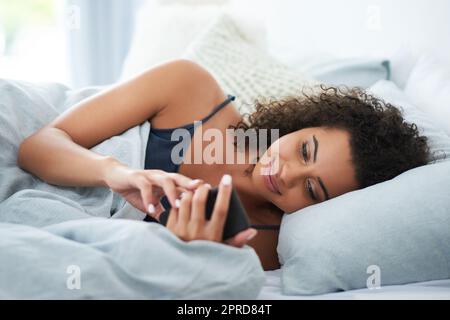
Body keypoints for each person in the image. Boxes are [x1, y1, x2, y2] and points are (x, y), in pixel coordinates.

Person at [17, 59, 430, 270]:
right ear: (306, 123)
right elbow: (37, 147)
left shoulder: (264, 246)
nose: (285, 174)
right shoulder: (190, 88)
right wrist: (118, 172)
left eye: (312, 190)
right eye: (305, 151)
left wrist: (183, 250)